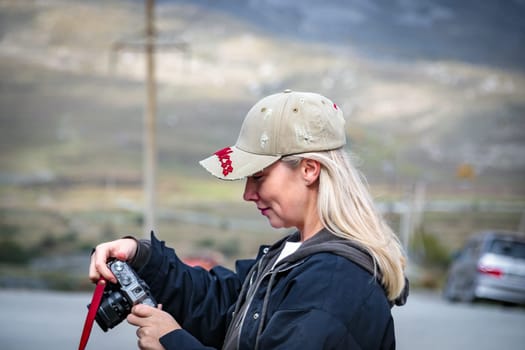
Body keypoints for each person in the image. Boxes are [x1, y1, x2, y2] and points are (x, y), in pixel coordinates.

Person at [89, 90, 408, 350]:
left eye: (258, 176)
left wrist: (173, 342)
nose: (248, 194)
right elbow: (219, 304)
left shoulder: (334, 280)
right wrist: (142, 257)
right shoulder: (294, 257)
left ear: (309, 169)